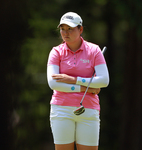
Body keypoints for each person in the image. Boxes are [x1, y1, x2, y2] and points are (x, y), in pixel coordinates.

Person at [47, 12, 109, 150]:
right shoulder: (56, 52)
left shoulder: (94, 51)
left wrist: (73, 80)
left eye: (70, 29)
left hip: (88, 109)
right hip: (61, 109)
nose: (65, 32)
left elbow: (104, 80)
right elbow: (53, 84)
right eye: (63, 28)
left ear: (80, 29)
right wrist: (84, 88)